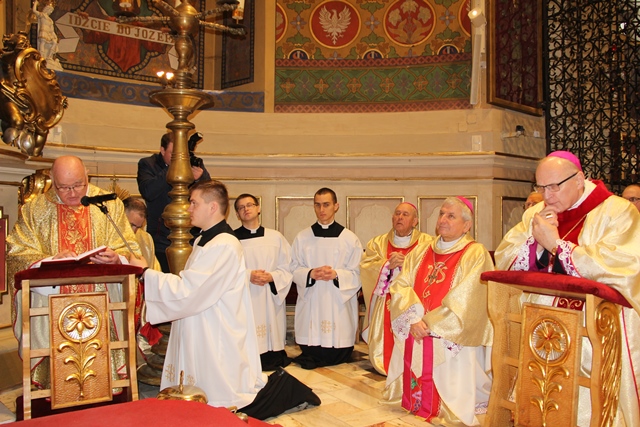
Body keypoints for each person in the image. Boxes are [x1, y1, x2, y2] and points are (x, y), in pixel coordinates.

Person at [130, 180, 320, 419]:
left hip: (216, 329)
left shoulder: (224, 244)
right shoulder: (203, 240)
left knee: (228, 398)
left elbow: (190, 290)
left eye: (194, 203)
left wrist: (146, 273)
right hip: (203, 322)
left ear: (212, 207)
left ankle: (288, 391)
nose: (188, 208)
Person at [494, 151, 640, 425]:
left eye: (554, 186)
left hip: (595, 324)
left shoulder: (617, 211)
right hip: (543, 322)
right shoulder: (536, 213)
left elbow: (624, 264)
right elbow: (504, 256)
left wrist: (556, 245)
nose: (547, 196)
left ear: (579, 179)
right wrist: (536, 242)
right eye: (540, 187)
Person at [7, 155, 141, 389]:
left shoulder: (107, 205)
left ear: (87, 175)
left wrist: (116, 257)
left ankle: (104, 389)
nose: (72, 193)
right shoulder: (35, 209)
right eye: (64, 187)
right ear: (52, 179)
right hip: (54, 302)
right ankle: (60, 392)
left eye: (78, 184)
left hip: (101, 300)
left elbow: (130, 248)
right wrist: (48, 260)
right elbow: (16, 253)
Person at [385, 197, 493, 426]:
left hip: (449, 332)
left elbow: (469, 299)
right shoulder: (422, 250)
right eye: (442, 214)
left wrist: (431, 324)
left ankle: (446, 404)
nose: (443, 219)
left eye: (451, 216)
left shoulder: (475, 253)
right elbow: (401, 284)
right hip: (417, 325)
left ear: (467, 225)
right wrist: (413, 318)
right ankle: (415, 397)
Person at [290, 187, 362, 369]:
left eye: (326, 205)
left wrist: (337, 275)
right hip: (313, 297)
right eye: (317, 205)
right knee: (311, 343)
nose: (321, 209)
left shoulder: (349, 238)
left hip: (337, 299)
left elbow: (358, 272)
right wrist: (310, 274)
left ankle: (339, 350)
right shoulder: (302, 237)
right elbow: (292, 268)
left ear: (336, 206)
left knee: (338, 344)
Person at [360, 202, 432, 375]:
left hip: (414, 299)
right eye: (397, 214)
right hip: (386, 298)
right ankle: (385, 364)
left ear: (415, 221)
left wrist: (407, 263)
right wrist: (387, 265)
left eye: (405, 214)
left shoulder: (427, 242)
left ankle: (411, 366)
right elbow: (366, 266)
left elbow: (432, 267)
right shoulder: (377, 243)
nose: (400, 217)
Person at [233, 193, 293, 371]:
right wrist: (248, 275)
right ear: (237, 214)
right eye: (241, 207)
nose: (246, 209)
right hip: (246, 294)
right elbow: (226, 270)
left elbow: (288, 266)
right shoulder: (232, 240)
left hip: (269, 294)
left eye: (249, 205)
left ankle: (273, 356)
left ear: (258, 208)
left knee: (271, 328)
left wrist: (272, 277)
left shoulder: (275, 237)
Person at [137, 131, 210, 272]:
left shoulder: (192, 162)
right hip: (160, 240)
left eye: (181, 154)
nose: (178, 157)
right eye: (173, 154)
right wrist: (176, 166)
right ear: (162, 150)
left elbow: (210, 193)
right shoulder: (148, 164)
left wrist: (200, 178)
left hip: (190, 237)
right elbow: (148, 192)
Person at [32, 0, 63, 71]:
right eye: (50, 10)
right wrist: (36, 3)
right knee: (42, 43)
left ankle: (49, 57)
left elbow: (52, 30)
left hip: (49, 33)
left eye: (51, 11)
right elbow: (34, 11)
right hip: (43, 31)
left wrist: (55, 37)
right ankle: (41, 56)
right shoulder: (42, 15)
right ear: (46, 9)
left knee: (54, 43)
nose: (50, 12)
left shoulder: (50, 20)